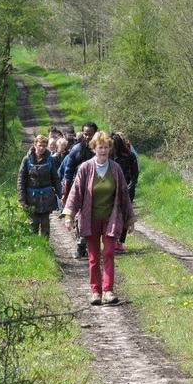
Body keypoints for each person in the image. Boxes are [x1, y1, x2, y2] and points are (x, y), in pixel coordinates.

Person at [62, 131, 137, 305]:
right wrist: (69, 215)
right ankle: (95, 291)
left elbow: (124, 196)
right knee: (94, 256)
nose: (103, 151)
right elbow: (75, 193)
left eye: (106, 148)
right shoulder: (85, 168)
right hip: (90, 218)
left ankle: (108, 290)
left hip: (111, 218)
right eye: (100, 147)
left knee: (109, 252)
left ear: (110, 149)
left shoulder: (116, 169)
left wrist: (130, 220)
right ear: (94, 148)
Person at [62, 122, 97, 258]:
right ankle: (80, 245)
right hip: (80, 190)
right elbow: (68, 171)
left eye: (90, 134)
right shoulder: (77, 149)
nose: (87, 137)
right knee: (80, 218)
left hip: (98, 191)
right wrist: (66, 192)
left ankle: (91, 247)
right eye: (85, 134)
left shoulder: (101, 150)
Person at [17, 135, 62, 237]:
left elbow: (55, 178)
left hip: (46, 196)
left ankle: (45, 245)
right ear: (35, 145)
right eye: (39, 145)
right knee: (33, 223)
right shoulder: (27, 160)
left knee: (46, 224)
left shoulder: (50, 159)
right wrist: (21, 198)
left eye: (44, 146)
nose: (41, 148)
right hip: (31, 197)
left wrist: (61, 195)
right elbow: (20, 179)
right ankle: (34, 246)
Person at [111, 132, 140, 253]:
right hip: (111, 190)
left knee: (124, 216)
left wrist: (129, 188)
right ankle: (111, 239)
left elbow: (134, 175)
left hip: (127, 189)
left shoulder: (129, 155)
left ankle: (120, 242)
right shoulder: (107, 156)